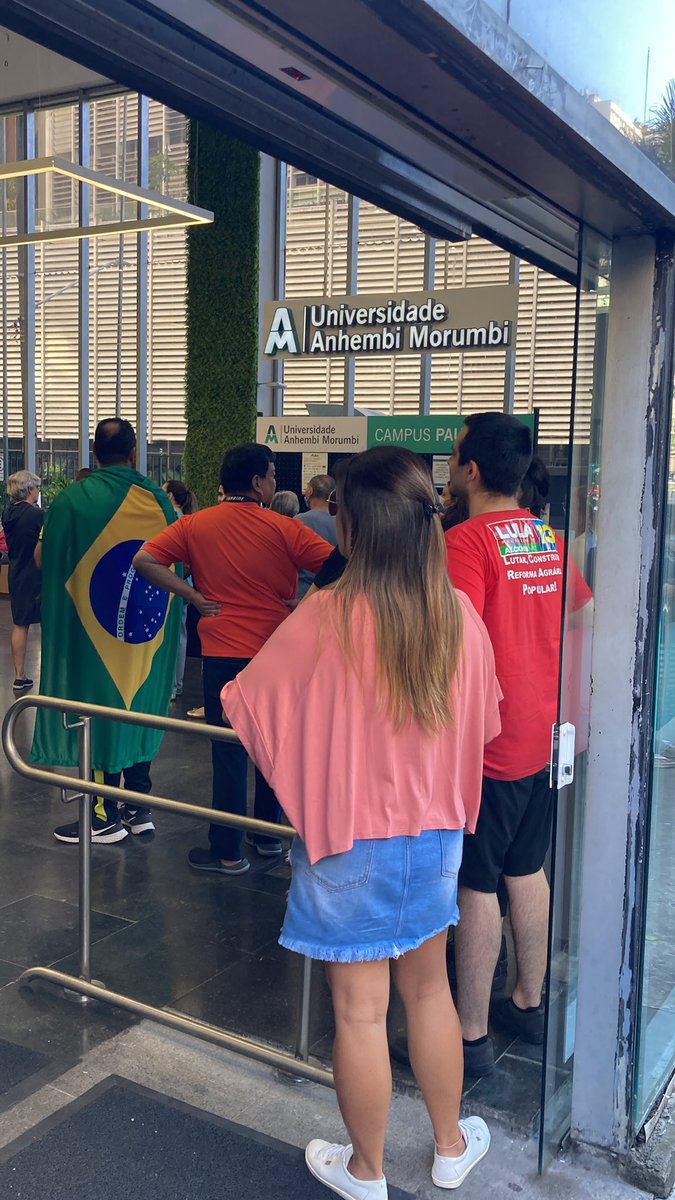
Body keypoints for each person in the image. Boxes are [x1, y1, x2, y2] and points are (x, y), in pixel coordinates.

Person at [220, 447, 500, 1198]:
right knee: (430, 992)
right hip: (436, 837)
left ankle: (366, 1170)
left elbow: (249, 707)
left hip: (347, 842)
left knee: (360, 1013)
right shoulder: (458, 615)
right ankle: (449, 1148)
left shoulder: (327, 615)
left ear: (353, 528)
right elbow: (484, 722)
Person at [446, 412, 593, 1077]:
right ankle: (529, 1004)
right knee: (526, 868)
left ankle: (469, 1037)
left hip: (492, 740)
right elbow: (583, 614)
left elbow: (456, 641)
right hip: (544, 733)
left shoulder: (466, 542)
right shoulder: (544, 536)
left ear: (471, 470)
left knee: (476, 883)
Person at [133, 442, 333, 876]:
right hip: (275, 653)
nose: (275, 483)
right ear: (258, 482)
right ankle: (267, 837)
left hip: (222, 652)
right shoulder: (285, 528)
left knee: (228, 750)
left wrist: (192, 595)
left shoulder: (194, 525)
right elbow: (341, 565)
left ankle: (227, 851)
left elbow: (144, 559)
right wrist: (304, 603)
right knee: (274, 747)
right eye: (273, 476)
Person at [30, 418, 182, 845]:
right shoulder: (158, 500)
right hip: (146, 631)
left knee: (98, 713)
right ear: (134, 453)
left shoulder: (72, 500)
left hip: (90, 630)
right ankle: (138, 807)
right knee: (140, 707)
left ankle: (103, 816)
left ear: (94, 453)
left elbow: (44, 559)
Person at [4, 470, 42, 690]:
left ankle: (19, 675)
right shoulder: (37, 515)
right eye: (36, 487)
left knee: (20, 624)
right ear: (28, 489)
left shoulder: (8, 513)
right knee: (48, 622)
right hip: (37, 573)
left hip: (17, 571)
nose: (38, 491)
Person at [162, 479, 199, 700]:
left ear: (170, 496)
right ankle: (176, 684)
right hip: (186, 585)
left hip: (167, 583)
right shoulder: (190, 521)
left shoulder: (167, 520)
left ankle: (170, 685)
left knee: (169, 636)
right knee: (180, 634)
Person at [295, 473, 339, 599]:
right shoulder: (342, 522)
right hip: (334, 593)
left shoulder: (298, 521)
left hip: (303, 594)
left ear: (310, 491)